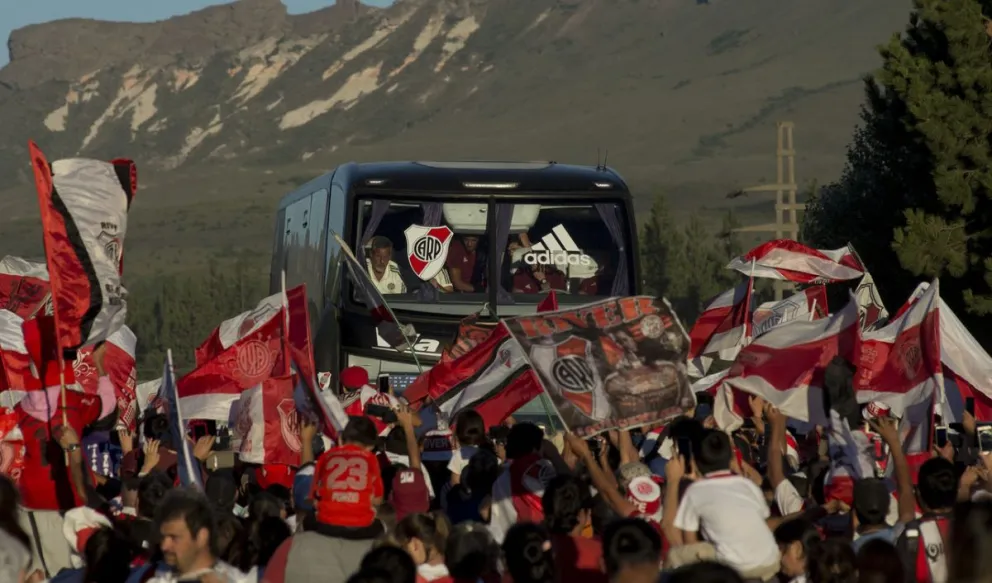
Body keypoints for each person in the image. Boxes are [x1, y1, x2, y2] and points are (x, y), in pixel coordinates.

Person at [262, 417, 384, 583]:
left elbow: (307, 477)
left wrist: (306, 441)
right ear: (370, 447)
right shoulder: (383, 552)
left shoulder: (290, 551)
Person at [671, 429, 781, 580]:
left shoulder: (695, 491)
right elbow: (763, 519)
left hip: (736, 568)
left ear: (695, 461)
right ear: (731, 457)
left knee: (675, 555)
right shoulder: (747, 484)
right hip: (770, 562)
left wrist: (674, 481)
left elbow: (690, 542)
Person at [145, 489, 247, 582]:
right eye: (163, 537)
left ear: (202, 537)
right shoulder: (151, 579)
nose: (164, 546)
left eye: (174, 537)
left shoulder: (236, 580)